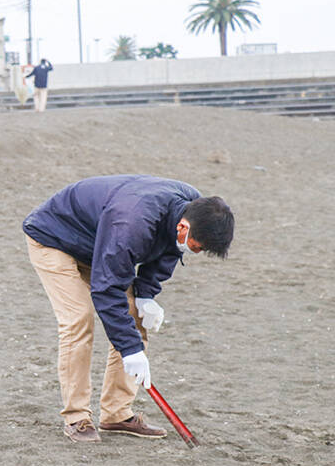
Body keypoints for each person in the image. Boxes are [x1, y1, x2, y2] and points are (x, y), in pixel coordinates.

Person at [23, 175, 234, 443]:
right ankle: (77, 417)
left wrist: (146, 294)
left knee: (136, 318)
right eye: (197, 246)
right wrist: (131, 350)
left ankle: (116, 414)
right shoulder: (132, 220)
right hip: (54, 238)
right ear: (183, 226)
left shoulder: (193, 207)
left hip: (99, 243)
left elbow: (169, 248)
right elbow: (107, 289)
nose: (197, 251)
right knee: (79, 319)